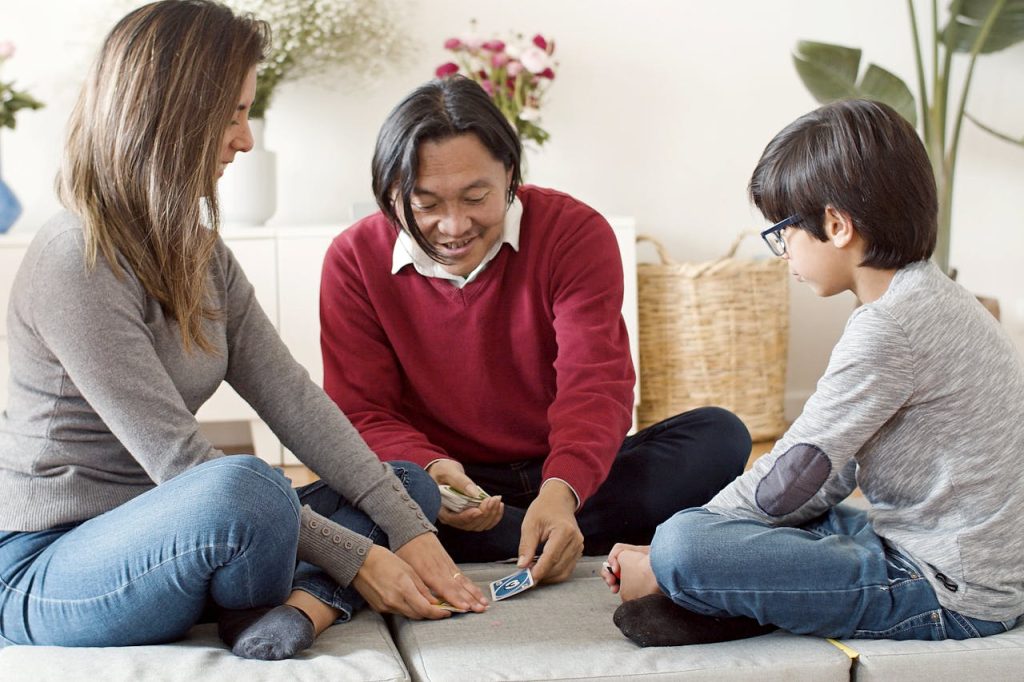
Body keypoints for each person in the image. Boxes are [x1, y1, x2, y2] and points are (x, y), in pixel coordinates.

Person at [0, 0, 487, 662]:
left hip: (185, 540)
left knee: (407, 486)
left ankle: (295, 609)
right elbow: (180, 466)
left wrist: (410, 533)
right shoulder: (74, 258)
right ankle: (310, 595)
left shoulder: (200, 254)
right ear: (173, 112)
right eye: (232, 112)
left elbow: (294, 399)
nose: (245, 138)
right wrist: (362, 559)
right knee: (248, 486)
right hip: (54, 564)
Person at [605, 99, 1024, 647]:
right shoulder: (929, 296)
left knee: (686, 543)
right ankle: (723, 597)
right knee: (767, 523)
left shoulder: (891, 326)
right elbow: (826, 472)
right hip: (930, 546)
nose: (783, 253)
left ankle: (698, 590)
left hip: (947, 589)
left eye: (782, 232)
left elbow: (791, 474)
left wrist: (663, 554)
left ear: (836, 225)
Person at [319, 76, 751, 585]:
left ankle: (528, 532)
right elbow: (363, 410)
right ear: (390, 193)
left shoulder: (574, 233)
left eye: (476, 196)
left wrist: (561, 491)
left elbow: (595, 383)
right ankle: (543, 536)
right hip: (446, 483)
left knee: (720, 437)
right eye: (426, 205)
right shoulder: (353, 259)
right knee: (358, 492)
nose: (455, 226)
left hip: (567, 471)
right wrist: (435, 473)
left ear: (510, 176)